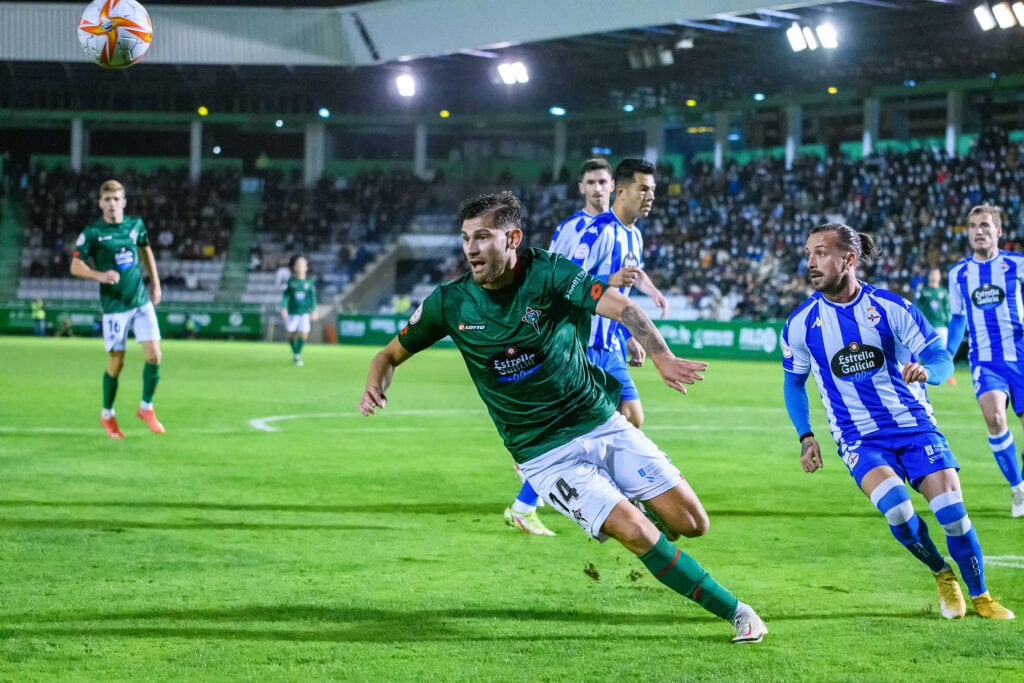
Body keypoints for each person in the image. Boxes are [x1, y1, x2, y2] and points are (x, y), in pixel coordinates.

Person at [360, 192, 767, 643]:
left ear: (512, 238)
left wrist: (662, 357)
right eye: (465, 239)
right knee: (637, 532)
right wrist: (375, 382)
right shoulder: (449, 303)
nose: (471, 249)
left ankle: (636, 507)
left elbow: (623, 306)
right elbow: (389, 354)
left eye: (482, 237)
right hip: (544, 454)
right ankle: (737, 612)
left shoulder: (550, 273)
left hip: (599, 421)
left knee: (693, 523)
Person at [782, 222, 1014, 620]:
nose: (811, 262)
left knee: (953, 514)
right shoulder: (800, 324)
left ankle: (982, 596)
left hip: (915, 427)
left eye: (821, 253)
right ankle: (943, 574)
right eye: (808, 253)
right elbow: (793, 384)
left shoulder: (891, 308)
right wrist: (806, 436)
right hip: (859, 438)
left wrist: (929, 372)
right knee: (898, 512)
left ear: (849, 259)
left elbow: (941, 357)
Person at [503, 158, 620, 536]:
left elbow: (621, 293)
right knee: (591, 429)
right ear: (581, 187)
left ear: (613, 185)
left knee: (622, 420)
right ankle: (533, 497)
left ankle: (532, 499)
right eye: (591, 182)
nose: (598, 188)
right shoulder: (573, 230)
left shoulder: (623, 230)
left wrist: (628, 334)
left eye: (603, 181)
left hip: (607, 340)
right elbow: (562, 285)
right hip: (576, 342)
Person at [70, 179, 165, 439]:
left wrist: (155, 284)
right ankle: (107, 414)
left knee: (155, 354)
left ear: (124, 202)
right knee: (117, 361)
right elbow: (75, 266)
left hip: (140, 300)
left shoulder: (135, 226)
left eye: (116, 199)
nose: (112, 204)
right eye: (107, 200)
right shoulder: (93, 233)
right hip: (114, 307)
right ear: (101, 203)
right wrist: (99, 275)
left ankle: (146, 408)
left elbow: (147, 252)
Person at [946, 204, 1024, 518]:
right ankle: (1018, 488)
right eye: (973, 226)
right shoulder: (959, 274)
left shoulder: (1018, 265)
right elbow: (957, 319)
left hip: (1021, 355)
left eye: (985, 226)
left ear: (999, 232)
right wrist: (947, 356)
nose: (979, 231)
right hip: (986, 360)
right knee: (994, 419)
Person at [915, 267, 956, 385]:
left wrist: (949, 323)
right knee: (919, 349)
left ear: (939, 277)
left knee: (944, 350)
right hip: (927, 326)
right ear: (929, 276)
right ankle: (917, 373)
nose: (934, 277)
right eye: (932, 274)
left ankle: (947, 374)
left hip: (941, 326)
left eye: (936, 274)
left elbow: (947, 309)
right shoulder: (924, 291)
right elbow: (918, 308)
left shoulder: (943, 291)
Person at [281, 255, 318, 366]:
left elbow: (312, 297)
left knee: (304, 333)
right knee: (292, 334)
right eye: (299, 264)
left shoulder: (309, 282)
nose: (301, 266)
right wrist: (284, 308)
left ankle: (297, 355)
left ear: (306, 267)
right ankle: (295, 352)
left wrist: (314, 309)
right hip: (293, 312)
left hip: (304, 312)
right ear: (295, 267)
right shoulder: (291, 282)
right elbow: (285, 296)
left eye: (303, 264)